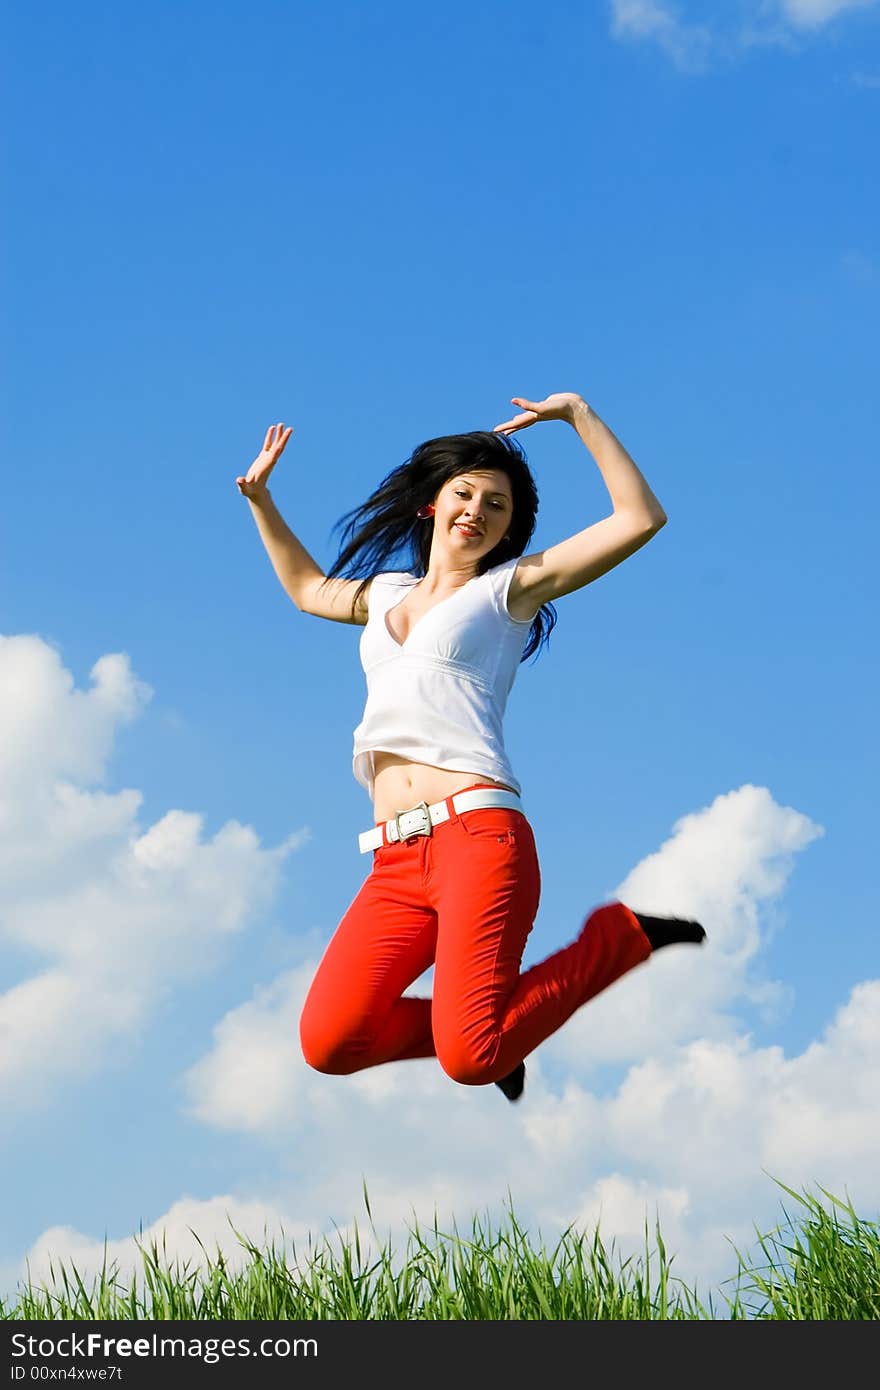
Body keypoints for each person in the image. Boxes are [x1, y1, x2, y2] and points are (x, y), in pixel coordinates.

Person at [236, 391, 705, 1104]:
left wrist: (579, 415)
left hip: (478, 840)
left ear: (509, 528)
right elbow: (305, 589)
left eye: (498, 505)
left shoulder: (506, 594)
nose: (478, 511)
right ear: (432, 503)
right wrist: (261, 499)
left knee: (471, 1057)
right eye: (466, 493)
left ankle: (618, 938)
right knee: (331, 1041)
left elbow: (641, 518)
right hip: (395, 860)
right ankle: (491, 1029)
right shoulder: (384, 594)